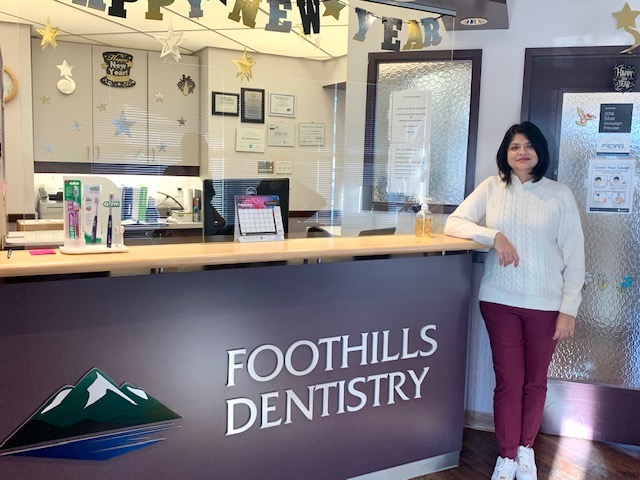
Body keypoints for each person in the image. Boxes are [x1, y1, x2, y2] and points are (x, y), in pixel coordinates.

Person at [444, 122, 585, 480]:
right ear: (505, 154)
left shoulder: (559, 194)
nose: (522, 152)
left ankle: (526, 450)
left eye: (528, 146)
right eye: (514, 147)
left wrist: (568, 310)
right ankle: (506, 456)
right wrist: (493, 235)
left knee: (535, 381)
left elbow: (575, 256)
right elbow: (454, 223)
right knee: (508, 380)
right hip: (499, 302)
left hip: (546, 305)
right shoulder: (492, 187)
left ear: (540, 151)